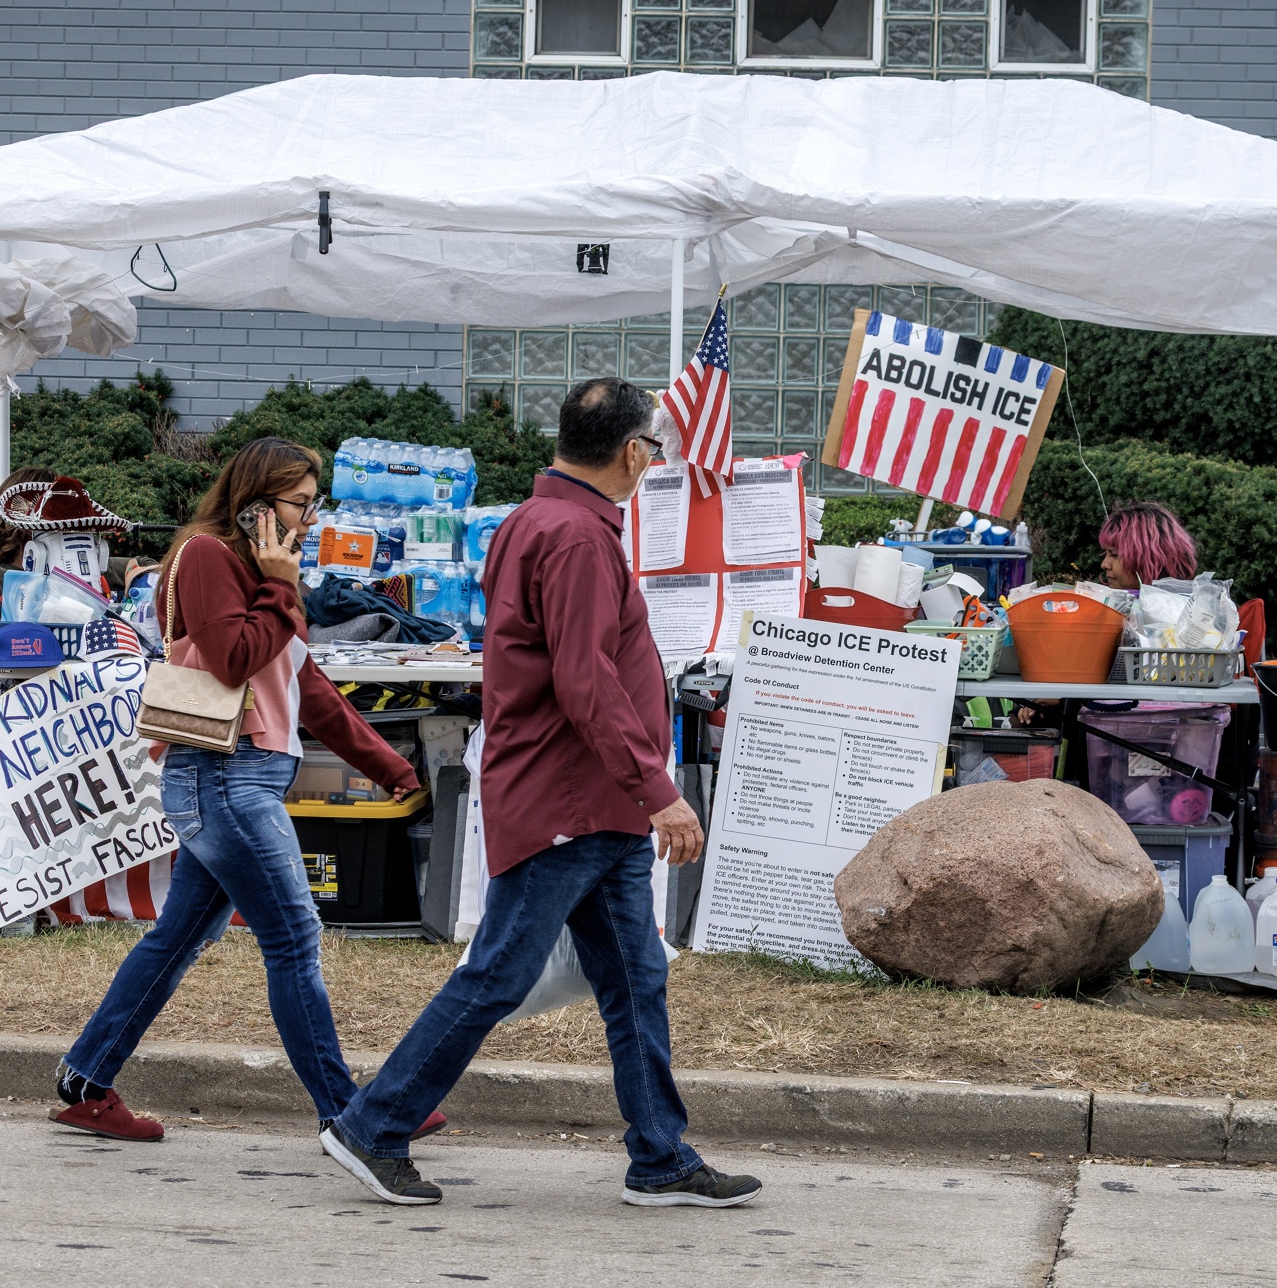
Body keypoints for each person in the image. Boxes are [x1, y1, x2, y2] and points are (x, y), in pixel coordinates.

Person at [321, 378, 762, 1211]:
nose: (652, 464)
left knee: (634, 981)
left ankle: (661, 1156)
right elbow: (585, 680)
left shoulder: (540, 520)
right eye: (654, 450)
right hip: (573, 801)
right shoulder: (577, 536)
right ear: (632, 453)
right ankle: (373, 1125)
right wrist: (660, 790)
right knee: (497, 975)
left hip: (593, 805)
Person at [52, 437, 443, 1144]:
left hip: (239, 776)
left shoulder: (265, 576)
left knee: (175, 941)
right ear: (259, 504)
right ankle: (350, 1112)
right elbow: (233, 659)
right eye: (301, 503)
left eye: (314, 502)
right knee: (294, 938)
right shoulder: (208, 556)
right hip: (223, 775)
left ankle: (85, 1080)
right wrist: (281, 587)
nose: (310, 517)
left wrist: (391, 765)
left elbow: (310, 690)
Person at [0, 466, 149, 629]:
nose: (69, 532)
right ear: (21, 526)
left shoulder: (91, 566)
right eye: (57, 524)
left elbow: (145, 565)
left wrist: (141, 587)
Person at [1098, 500, 1197, 591]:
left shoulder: (1178, 608)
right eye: (1106, 553)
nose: (1104, 564)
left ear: (1151, 559)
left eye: (1114, 555)